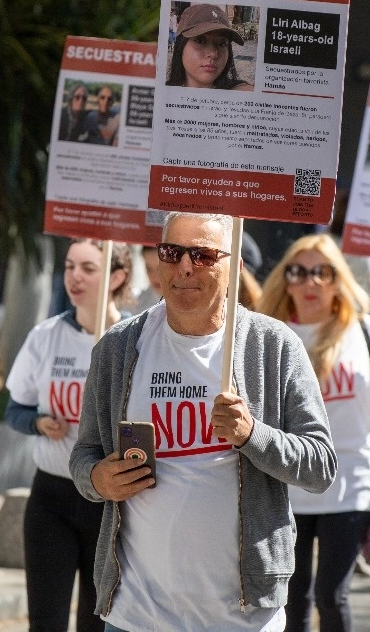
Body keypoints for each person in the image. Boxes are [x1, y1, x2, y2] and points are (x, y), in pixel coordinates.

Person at [70, 212, 336, 630]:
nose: (186, 266)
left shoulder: (273, 346)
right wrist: (99, 480)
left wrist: (252, 434)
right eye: (172, 252)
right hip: (137, 616)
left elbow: (321, 467)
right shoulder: (118, 348)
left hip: (243, 616)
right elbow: (84, 457)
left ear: (237, 266)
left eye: (204, 254)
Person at [258, 234, 370, 631]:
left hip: (350, 482)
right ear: (285, 279)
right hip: (288, 483)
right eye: (298, 272)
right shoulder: (270, 335)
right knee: (292, 599)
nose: (309, 282)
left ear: (338, 280)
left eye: (322, 272)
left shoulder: (364, 332)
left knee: (332, 594)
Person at [4, 239, 132, 632]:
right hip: (52, 497)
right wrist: (38, 422)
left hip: (109, 503)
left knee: (97, 620)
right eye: (69, 266)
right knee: (46, 620)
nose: (75, 276)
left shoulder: (135, 338)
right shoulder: (46, 336)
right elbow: (15, 410)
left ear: (117, 276)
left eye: (89, 268)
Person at [166, 4, 254, 90]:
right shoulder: (162, 95)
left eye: (222, 44)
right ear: (181, 46)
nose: (213, 54)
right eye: (200, 41)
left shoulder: (244, 93)